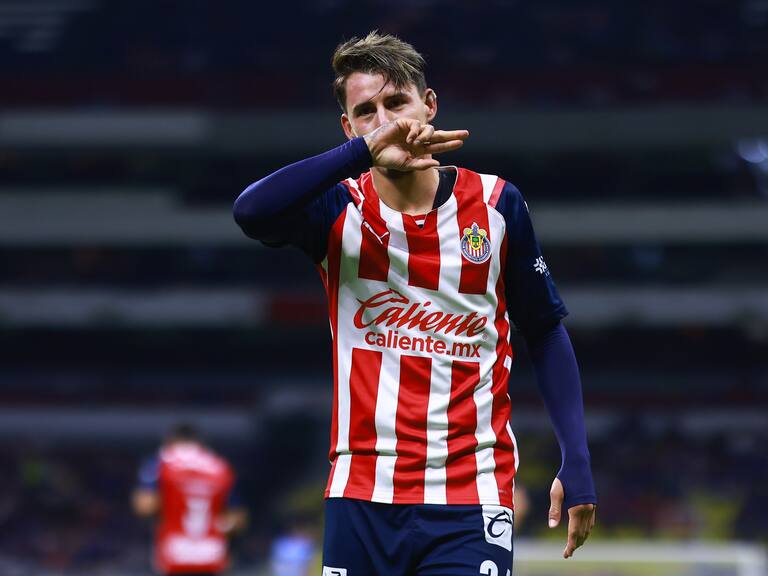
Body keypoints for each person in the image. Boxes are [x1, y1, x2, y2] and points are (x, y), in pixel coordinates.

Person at [234, 32, 596, 575]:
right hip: (360, 493)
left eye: (397, 102)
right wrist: (362, 153)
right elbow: (251, 212)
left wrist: (579, 461)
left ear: (429, 104)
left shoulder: (498, 206)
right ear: (348, 127)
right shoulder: (338, 210)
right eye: (366, 112)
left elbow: (544, 330)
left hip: (470, 496)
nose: (386, 121)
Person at [132, 424, 247, 576]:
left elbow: (145, 506)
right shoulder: (219, 466)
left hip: (175, 552)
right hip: (210, 553)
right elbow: (238, 519)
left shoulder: (161, 462)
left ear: (170, 441)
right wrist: (217, 529)